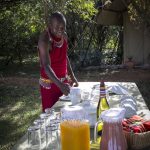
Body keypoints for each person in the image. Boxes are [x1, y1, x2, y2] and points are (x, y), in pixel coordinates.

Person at [38, 12, 79, 112]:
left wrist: (72, 76)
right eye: (57, 27)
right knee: (50, 115)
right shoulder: (44, 40)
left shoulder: (64, 36)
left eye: (63, 27)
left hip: (64, 82)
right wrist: (60, 85)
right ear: (50, 25)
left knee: (66, 112)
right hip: (50, 85)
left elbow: (64, 57)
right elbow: (46, 65)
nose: (60, 30)